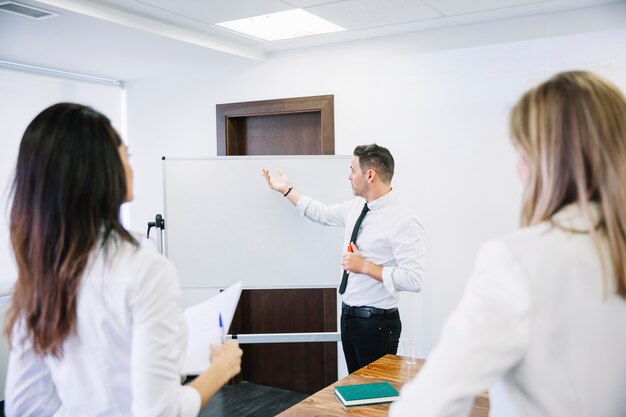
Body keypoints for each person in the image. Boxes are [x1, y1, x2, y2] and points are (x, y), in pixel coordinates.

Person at [389, 71, 626, 417]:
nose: (518, 168)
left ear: (546, 161)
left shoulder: (520, 259)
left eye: (521, 151)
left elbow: (426, 407)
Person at [4, 103, 243, 417]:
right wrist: (220, 370)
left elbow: (26, 407)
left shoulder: (41, 271)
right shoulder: (145, 270)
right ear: (99, 170)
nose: (131, 166)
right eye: (125, 155)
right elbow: (159, 412)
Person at [262, 144, 425, 373]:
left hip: (377, 325)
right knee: (357, 394)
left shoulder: (403, 220)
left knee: (375, 399)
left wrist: (365, 266)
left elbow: (414, 279)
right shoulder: (357, 206)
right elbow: (321, 213)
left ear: (370, 175)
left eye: (352, 170)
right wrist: (287, 190)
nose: (349, 176)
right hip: (349, 318)